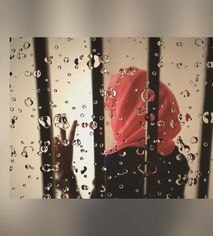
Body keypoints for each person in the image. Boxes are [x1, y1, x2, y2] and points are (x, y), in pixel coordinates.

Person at [54, 67, 190, 199]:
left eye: (113, 109)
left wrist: (65, 174)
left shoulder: (115, 164)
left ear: (124, 111)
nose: (112, 116)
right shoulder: (178, 161)